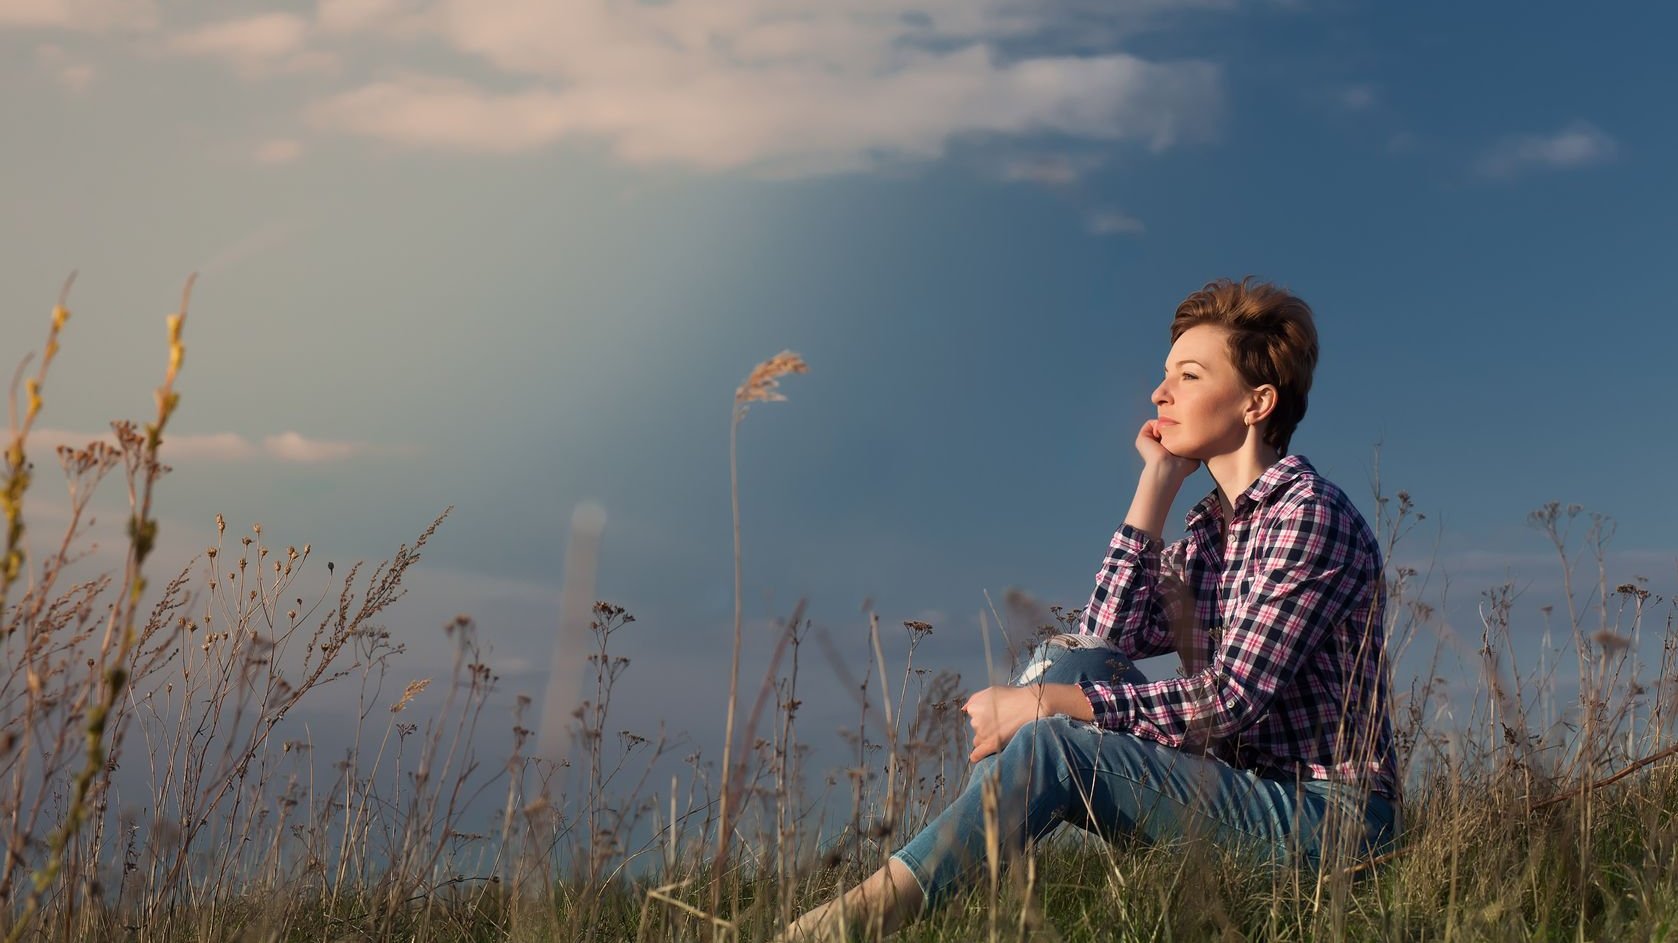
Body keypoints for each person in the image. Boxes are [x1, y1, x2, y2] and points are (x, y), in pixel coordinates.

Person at [777, 277, 1401, 941]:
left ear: (1257, 402)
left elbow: (1230, 699)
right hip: (1236, 793)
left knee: (1052, 732)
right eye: (1166, 376)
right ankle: (976, 894)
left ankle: (861, 918)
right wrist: (1155, 483)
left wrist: (1044, 704)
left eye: (1189, 376)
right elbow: (1102, 640)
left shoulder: (1309, 515)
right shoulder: (1210, 534)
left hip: (1330, 821)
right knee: (1063, 660)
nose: (1161, 394)